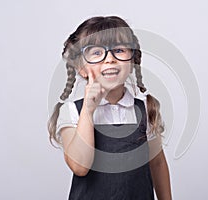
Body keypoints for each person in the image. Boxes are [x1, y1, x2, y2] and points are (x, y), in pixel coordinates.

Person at [48, 16, 172, 200]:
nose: (110, 59)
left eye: (119, 50)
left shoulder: (144, 108)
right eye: (97, 52)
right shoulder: (72, 111)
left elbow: (157, 163)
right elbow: (80, 167)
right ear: (81, 67)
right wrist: (88, 110)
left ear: (132, 62)